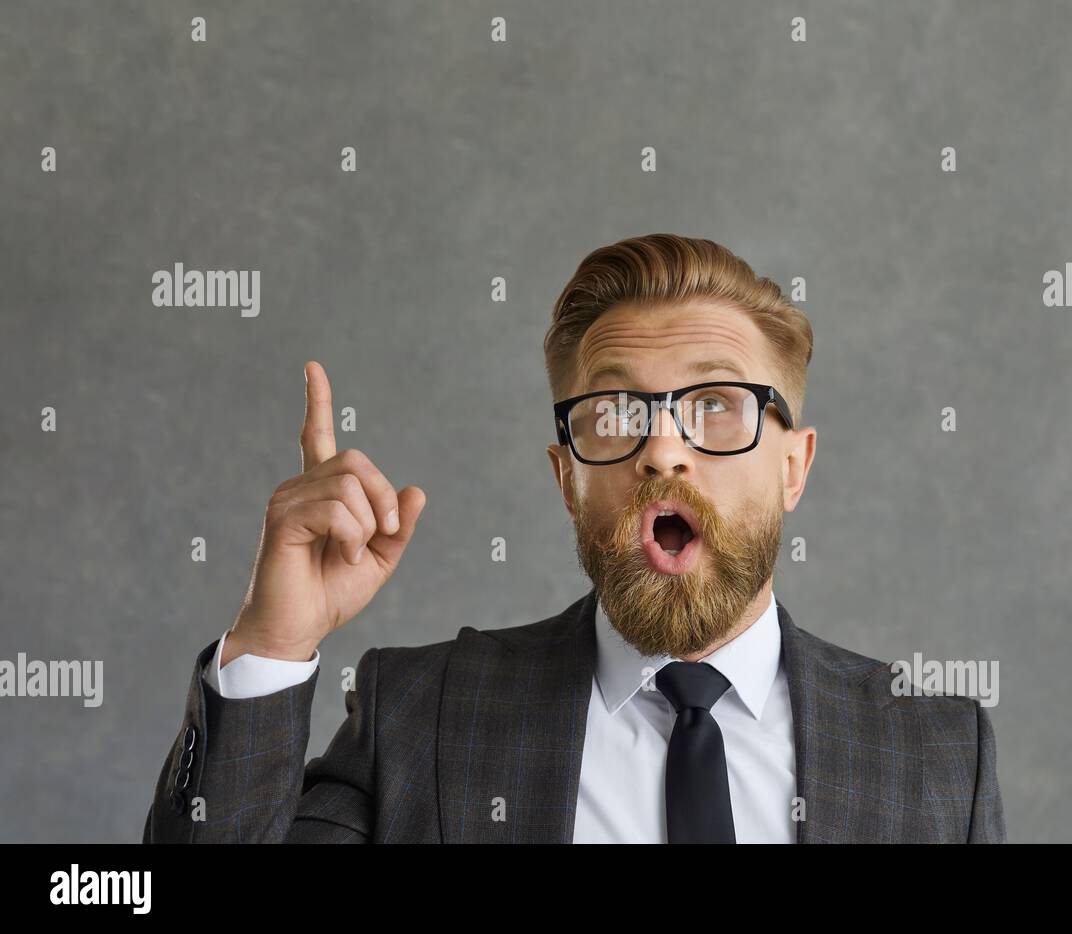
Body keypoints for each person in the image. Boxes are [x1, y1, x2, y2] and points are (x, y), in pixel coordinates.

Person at [143, 233, 1006, 843]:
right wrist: (273, 644)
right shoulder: (419, 716)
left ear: (794, 466)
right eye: (617, 412)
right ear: (566, 478)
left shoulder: (937, 751)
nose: (663, 450)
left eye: (715, 406)